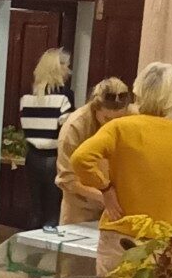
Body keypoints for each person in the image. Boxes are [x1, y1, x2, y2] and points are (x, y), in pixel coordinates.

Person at [70, 61, 172, 275]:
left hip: (119, 235)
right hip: (161, 242)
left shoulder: (119, 128)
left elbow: (80, 158)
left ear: (138, 90)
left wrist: (105, 188)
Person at [54, 78, 132, 226]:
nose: (112, 124)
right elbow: (67, 179)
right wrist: (104, 195)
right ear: (95, 108)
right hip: (80, 209)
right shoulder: (74, 126)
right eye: (107, 118)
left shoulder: (133, 117)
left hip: (118, 207)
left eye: (118, 119)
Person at [18, 48, 72, 230]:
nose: (69, 71)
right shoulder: (64, 97)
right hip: (54, 158)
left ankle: (29, 244)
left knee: (35, 210)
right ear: (58, 68)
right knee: (53, 211)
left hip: (32, 157)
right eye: (66, 66)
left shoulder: (26, 99)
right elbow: (67, 132)